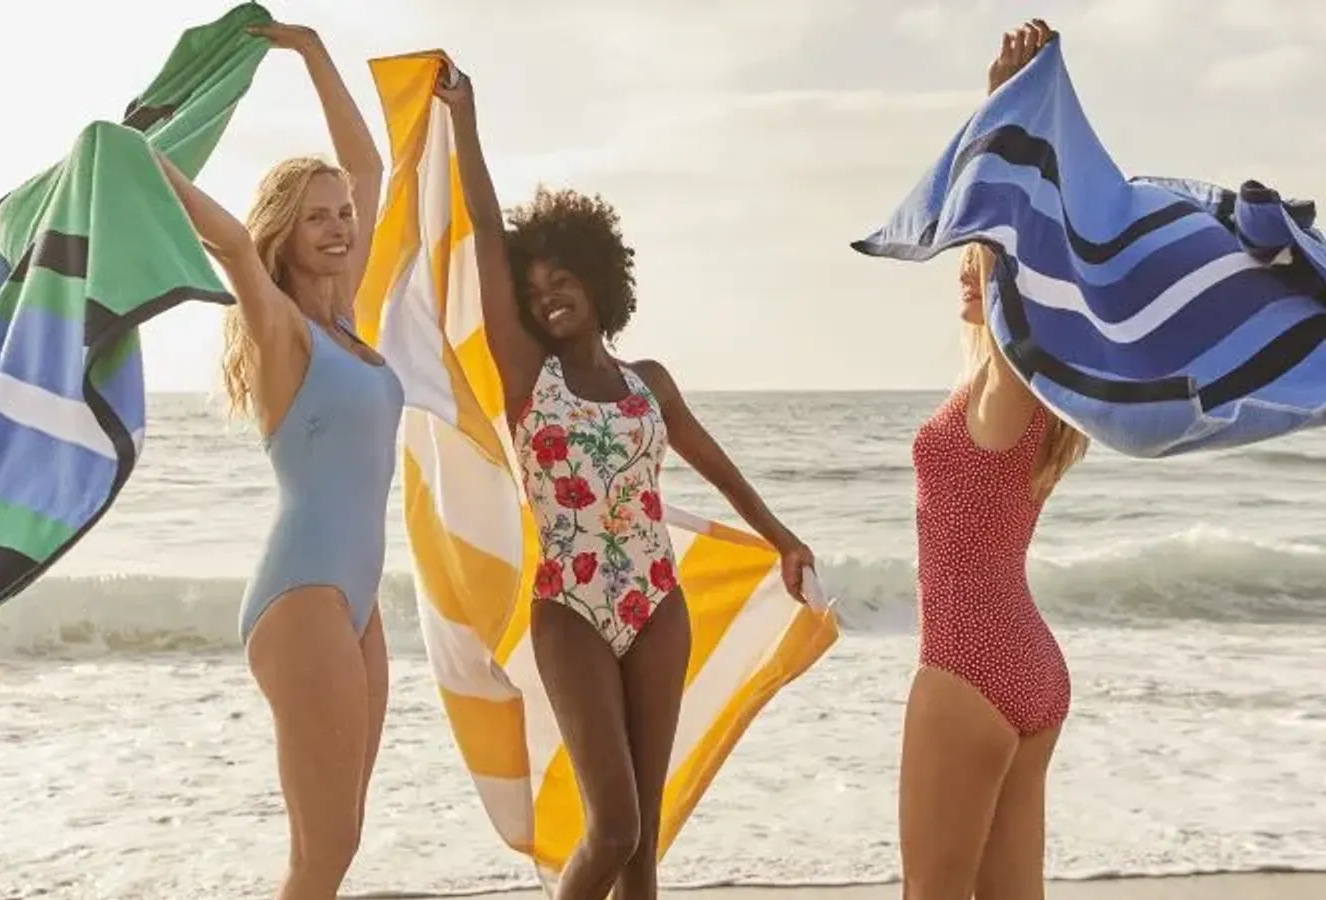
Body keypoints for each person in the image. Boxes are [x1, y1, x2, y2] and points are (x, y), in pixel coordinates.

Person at [433, 61, 818, 900]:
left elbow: (719, 469)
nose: (548, 299)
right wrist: (467, 122)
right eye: (538, 292)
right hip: (567, 605)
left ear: (598, 282)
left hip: (657, 603)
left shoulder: (650, 382)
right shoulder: (528, 375)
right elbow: (489, 244)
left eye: (562, 281)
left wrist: (784, 540)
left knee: (645, 848)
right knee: (613, 825)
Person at [154, 20, 395, 900]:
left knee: (341, 845)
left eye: (342, 217)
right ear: (285, 236)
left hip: (357, 600)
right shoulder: (284, 329)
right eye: (315, 219)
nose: (336, 228)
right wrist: (152, 166)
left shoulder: (348, 322)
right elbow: (226, 242)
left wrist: (312, 50)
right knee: (320, 854)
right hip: (304, 597)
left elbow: (370, 171)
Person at [900, 20, 1091, 900]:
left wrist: (1005, 114)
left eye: (975, 262)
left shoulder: (1008, 389)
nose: (964, 274)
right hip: (1029, 665)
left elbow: (1020, 243)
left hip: (969, 663)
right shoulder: (1027, 403)